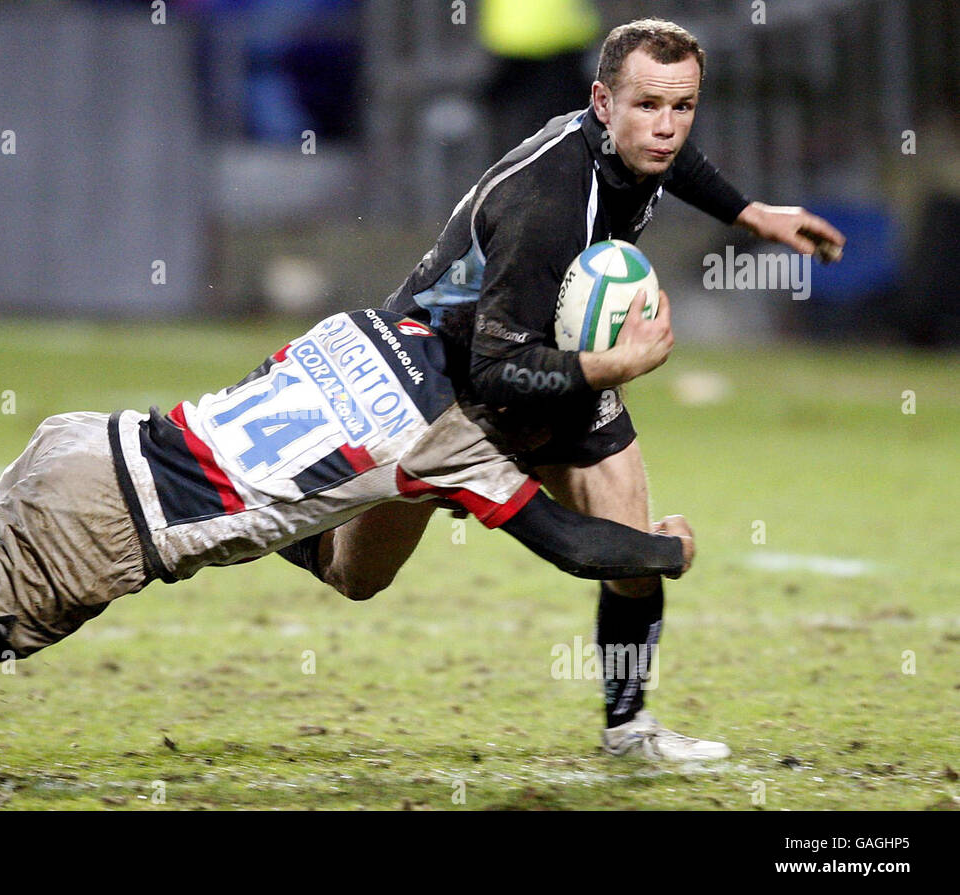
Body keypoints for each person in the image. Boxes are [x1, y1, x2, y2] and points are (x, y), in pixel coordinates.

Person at [0, 307, 696, 782]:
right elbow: (568, 541)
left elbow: (280, 438)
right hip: (102, 530)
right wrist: (666, 551)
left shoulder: (382, 327)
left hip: (91, 444)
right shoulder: (460, 447)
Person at [275, 18, 847, 762]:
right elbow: (491, 372)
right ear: (602, 103)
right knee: (358, 578)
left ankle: (628, 726)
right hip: (439, 385)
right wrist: (611, 366)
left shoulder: (642, 142)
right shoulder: (546, 204)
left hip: (552, 364)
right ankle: (282, 522)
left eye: (683, 106)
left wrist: (752, 213)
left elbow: (678, 163)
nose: (668, 127)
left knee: (633, 555)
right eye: (649, 106)